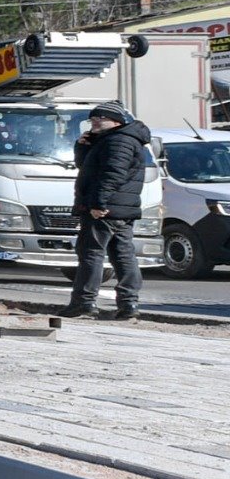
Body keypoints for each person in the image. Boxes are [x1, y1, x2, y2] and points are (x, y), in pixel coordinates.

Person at [62, 102, 149, 321]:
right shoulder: (113, 140)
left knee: (91, 252)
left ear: (115, 121)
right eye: (91, 120)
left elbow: (112, 174)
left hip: (106, 208)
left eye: (99, 119)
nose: (94, 123)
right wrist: (83, 146)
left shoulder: (119, 141)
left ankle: (84, 303)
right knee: (122, 254)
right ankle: (128, 305)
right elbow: (88, 167)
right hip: (120, 208)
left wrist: (97, 204)